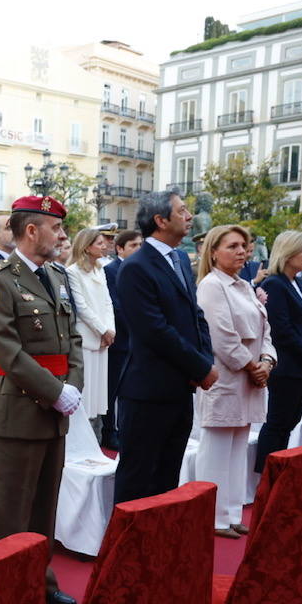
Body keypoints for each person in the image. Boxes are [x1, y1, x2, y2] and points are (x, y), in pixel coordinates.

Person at [0, 195, 83, 604]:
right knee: (8, 509)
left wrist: (72, 385)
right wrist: (56, 392)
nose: (62, 235)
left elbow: (72, 338)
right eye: (55, 228)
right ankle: (0, 590)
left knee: (44, 506)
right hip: (17, 410)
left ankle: (40, 580)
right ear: (32, 230)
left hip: (54, 412)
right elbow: (6, 350)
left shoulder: (57, 276)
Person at [114, 191, 216, 504]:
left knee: (167, 477)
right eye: (182, 211)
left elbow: (195, 315)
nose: (189, 217)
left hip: (180, 388)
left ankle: (160, 547)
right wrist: (200, 367)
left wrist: (204, 360)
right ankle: (128, 549)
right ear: (160, 221)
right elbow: (154, 330)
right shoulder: (136, 267)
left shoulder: (181, 259)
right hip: (148, 391)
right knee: (139, 479)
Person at [194, 226, 275, 538]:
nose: (242, 251)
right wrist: (252, 366)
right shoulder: (212, 285)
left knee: (239, 448)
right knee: (215, 449)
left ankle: (230, 512)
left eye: (244, 245)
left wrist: (268, 361)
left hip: (251, 378)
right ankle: (212, 516)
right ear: (214, 251)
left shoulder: (242, 285)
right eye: (233, 246)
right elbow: (221, 336)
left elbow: (266, 330)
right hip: (228, 377)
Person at [255, 231, 302, 474]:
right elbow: (283, 331)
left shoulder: (297, 282)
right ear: (288, 254)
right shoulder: (274, 284)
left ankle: (278, 472)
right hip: (286, 366)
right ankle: (267, 475)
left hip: (301, 366)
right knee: (278, 423)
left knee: (289, 422)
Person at [67, 228, 116, 439]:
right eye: (99, 243)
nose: (104, 245)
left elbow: (107, 302)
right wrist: (102, 329)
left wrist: (110, 329)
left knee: (98, 396)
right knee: (86, 394)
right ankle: (81, 439)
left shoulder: (100, 269)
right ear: (87, 246)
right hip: (87, 339)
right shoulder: (72, 271)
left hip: (102, 340)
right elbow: (82, 306)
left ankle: (96, 439)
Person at [101, 229, 141, 449]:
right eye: (133, 245)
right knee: (112, 390)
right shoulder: (110, 270)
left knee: (130, 390)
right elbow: (116, 305)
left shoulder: (141, 270)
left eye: (140, 245)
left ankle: (126, 429)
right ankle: (109, 432)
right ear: (120, 248)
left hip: (138, 343)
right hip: (120, 339)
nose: (138, 249)